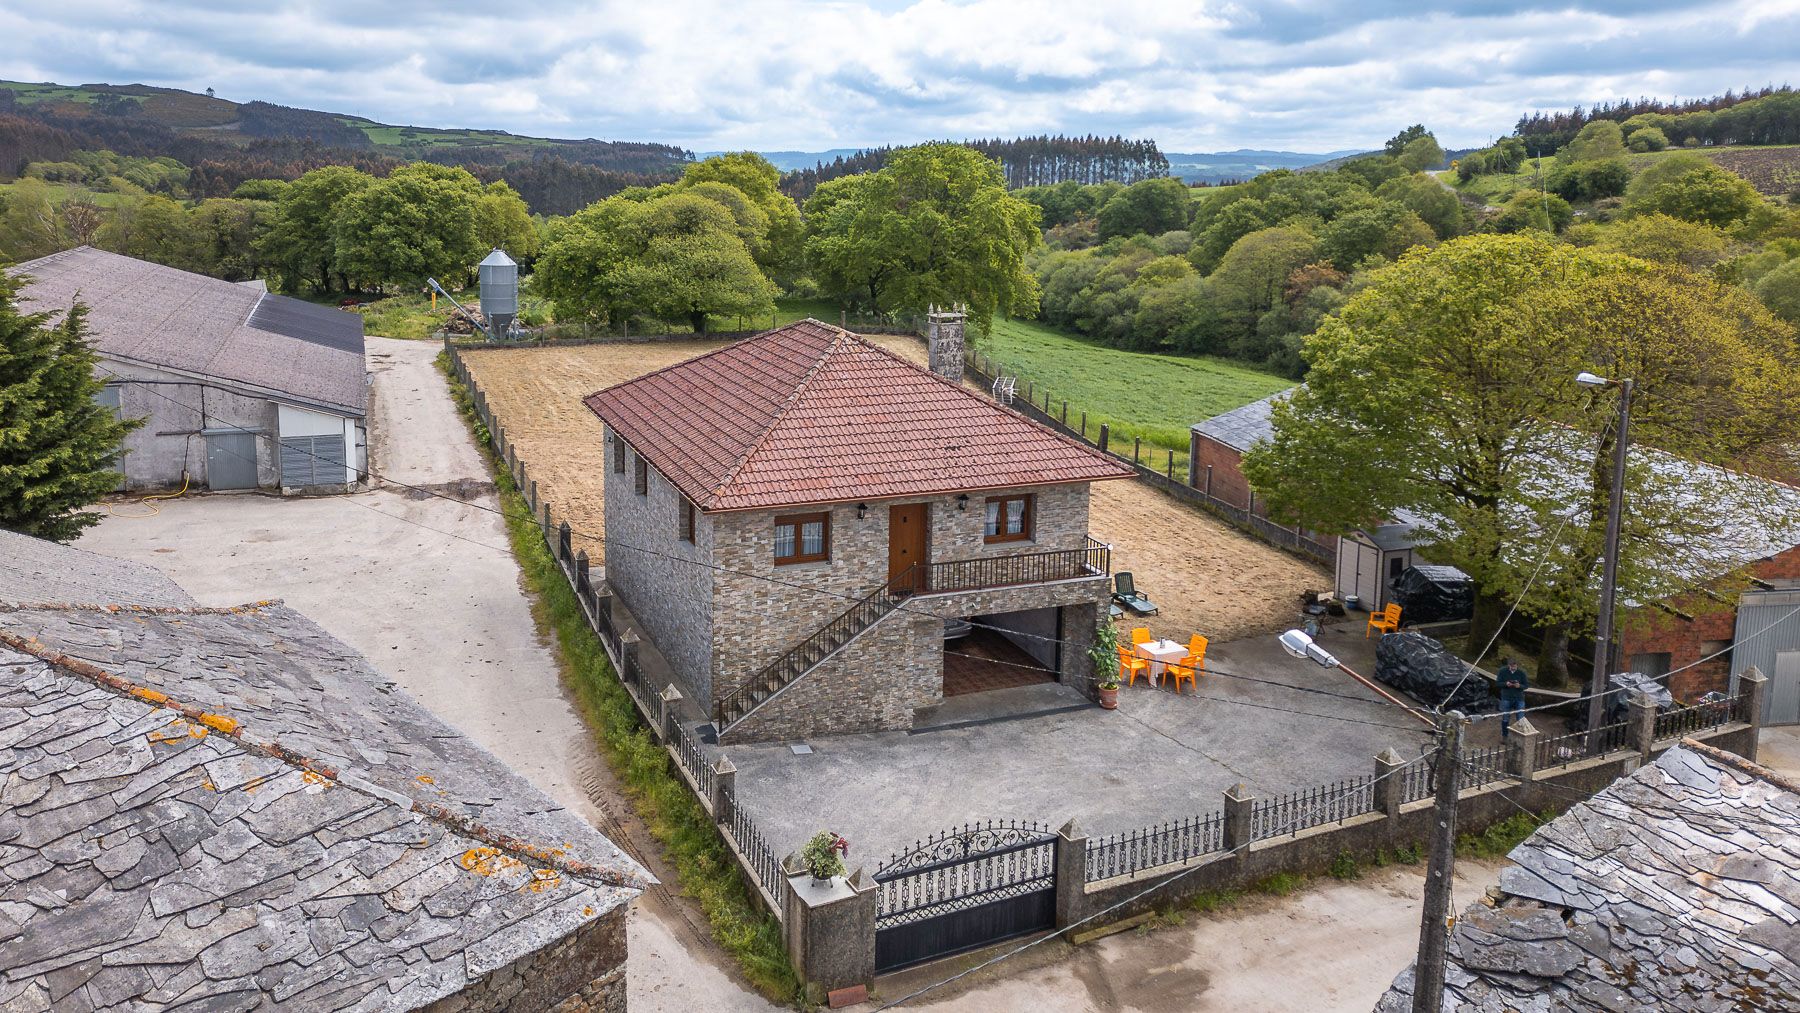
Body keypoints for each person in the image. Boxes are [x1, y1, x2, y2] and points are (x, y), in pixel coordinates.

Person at [1497, 658, 1529, 739]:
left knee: (1520, 717)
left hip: (1519, 697)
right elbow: (1498, 683)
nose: (1513, 668)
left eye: (1515, 666)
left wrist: (1519, 686)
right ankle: (1505, 735)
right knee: (1505, 717)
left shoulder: (1521, 672)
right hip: (1506, 697)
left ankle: (1520, 736)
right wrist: (1505, 684)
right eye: (1512, 666)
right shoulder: (1502, 671)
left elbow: (1526, 685)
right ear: (1508, 665)